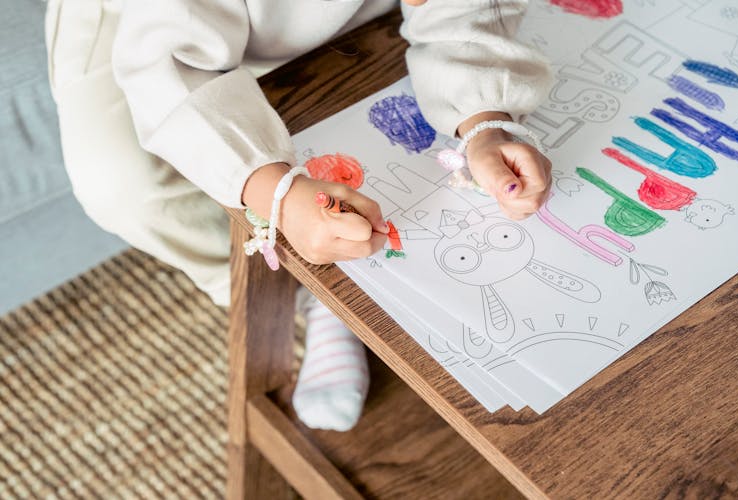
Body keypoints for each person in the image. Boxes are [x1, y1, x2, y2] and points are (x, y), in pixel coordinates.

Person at [45, 0, 553, 432]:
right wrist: (276, 193)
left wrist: (483, 119)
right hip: (148, 25)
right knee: (122, 182)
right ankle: (309, 296)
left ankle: (326, 273)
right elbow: (168, 67)